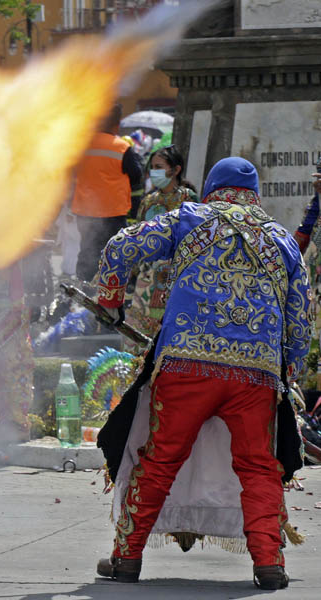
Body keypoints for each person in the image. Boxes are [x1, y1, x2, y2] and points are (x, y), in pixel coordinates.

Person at [93, 157, 312, 590]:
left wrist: (112, 298)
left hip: (187, 366)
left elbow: (121, 246)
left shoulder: (189, 219)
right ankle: (269, 564)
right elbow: (302, 315)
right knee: (257, 467)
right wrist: (288, 368)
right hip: (256, 373)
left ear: (212, 187)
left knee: (160, 460)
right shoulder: (281, 239)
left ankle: (127, 559)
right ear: (255, 195)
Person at [127, 145, 198, 339]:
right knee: (138, 333)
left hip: (175, 275)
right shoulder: (148, 201)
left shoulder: (187, 199)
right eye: (152, 167)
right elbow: (138, 237)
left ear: (175, 170)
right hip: (147, 276)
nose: (154, 172)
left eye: (159, 167)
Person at [71, 103, 143, 282]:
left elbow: (71, 174)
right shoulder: (121, 148)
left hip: (85, 212)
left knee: (87, 250)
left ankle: (83, 290)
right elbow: (136, 175)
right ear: (116, 124)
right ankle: (111, 291)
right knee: (114, 253)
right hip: (113, 212)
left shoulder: (82, 147)